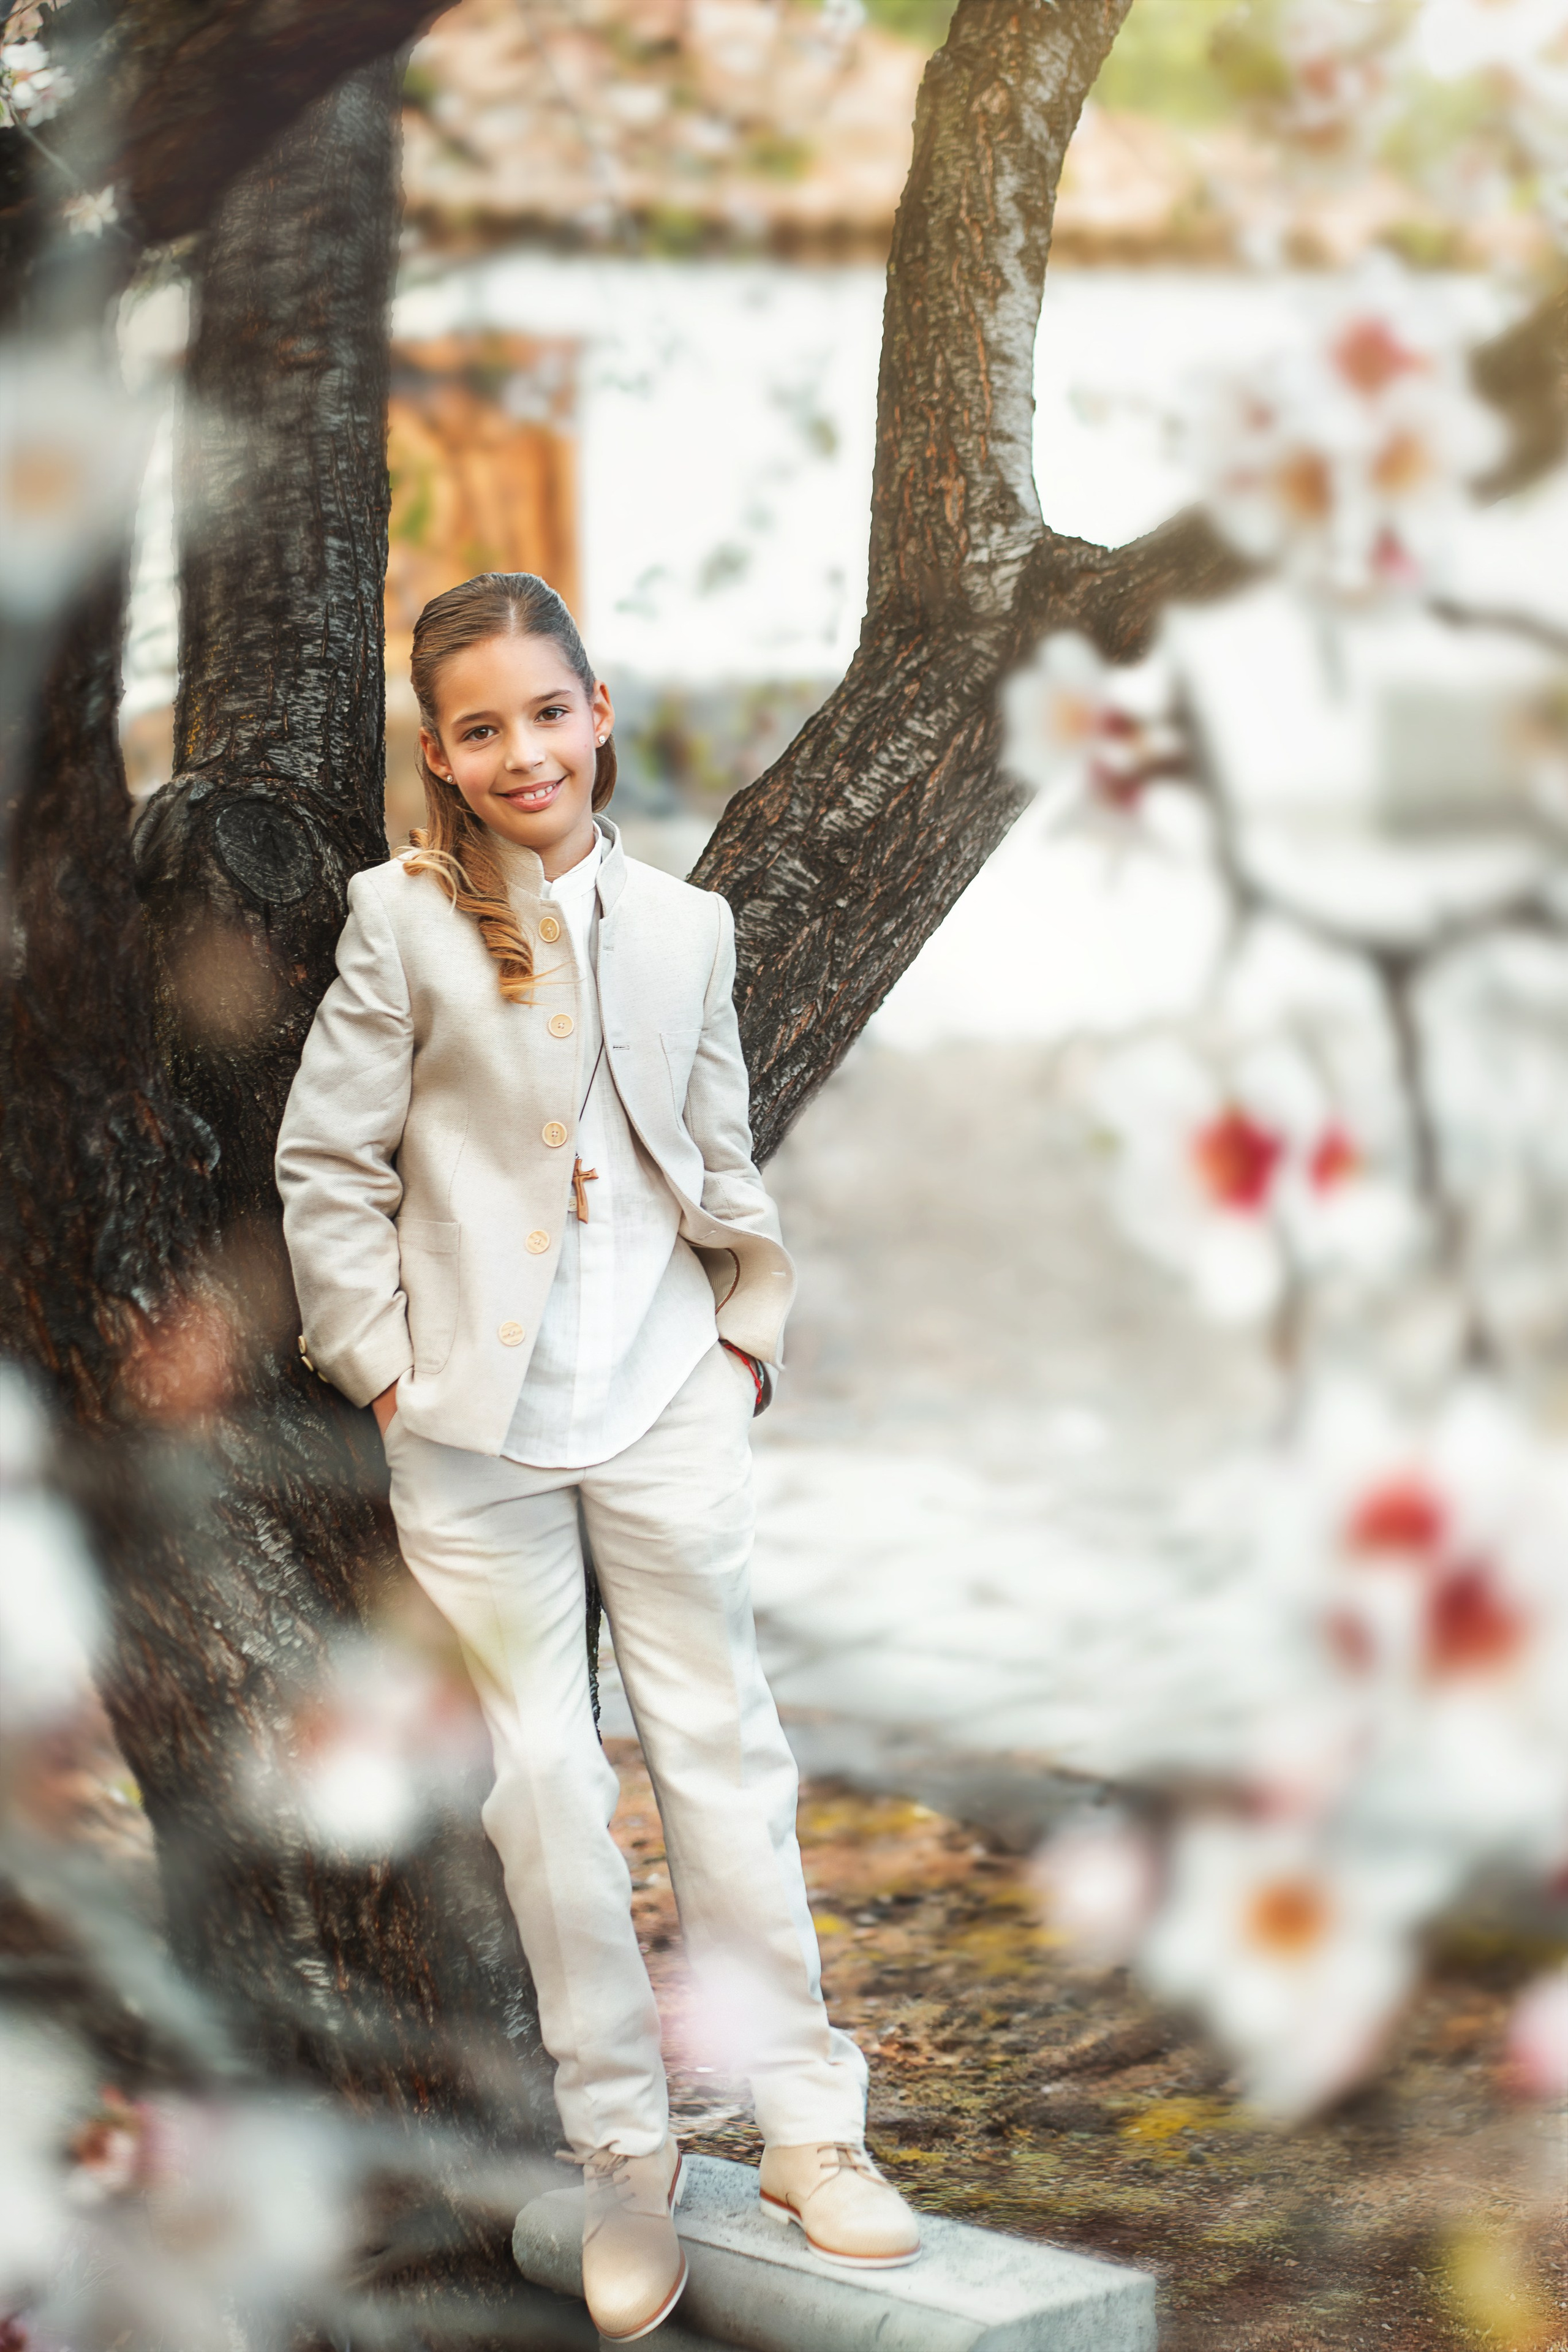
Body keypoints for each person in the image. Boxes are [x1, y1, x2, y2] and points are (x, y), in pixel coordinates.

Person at [275, 571, 920, 2340]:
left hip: (664, 1404)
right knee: (544, 1787)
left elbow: (719, 1152)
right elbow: (328, 1168)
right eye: (480, 729)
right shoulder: (395, 925)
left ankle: (807, 2128)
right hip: (471, 1435)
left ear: (601, 710)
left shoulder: (687, 930)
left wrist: (741, 1343)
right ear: (445, 753)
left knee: (723, 1755)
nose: (521, 752)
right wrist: (387, 1375)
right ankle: (621, 2155)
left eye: (546, 714)